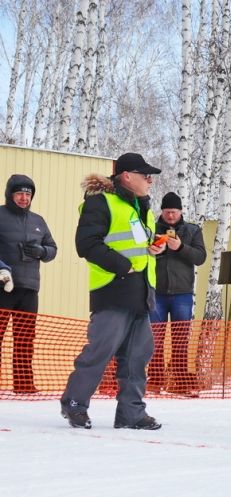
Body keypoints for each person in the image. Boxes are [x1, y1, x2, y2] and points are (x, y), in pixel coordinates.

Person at [60, 153, 166, 430]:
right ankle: (74, 403)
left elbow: (137, 244)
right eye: (146, 176)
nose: (150, 181)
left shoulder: (143, 209)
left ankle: (131, 414)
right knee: (100, 353)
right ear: (127, 176)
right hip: (113, 290)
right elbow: (87, 244)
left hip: (141, 294)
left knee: (137, 358)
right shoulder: (100, 202)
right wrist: (124, 266)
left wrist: (155, 247)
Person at [0, 174, 58, 393]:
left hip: (29, 288)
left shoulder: (38, 221)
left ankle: (24, 384)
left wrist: (42, 251)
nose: (24, 198)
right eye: (19, 193)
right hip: (3, 286)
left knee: (25, 339)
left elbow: (52, 249)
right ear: (10, 194)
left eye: (28, 194)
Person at [149, 192, 207, 394]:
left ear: (181, 211)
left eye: (174, 212)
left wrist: (180, 247)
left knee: (180, 340)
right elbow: (141, 252)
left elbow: (200, 257)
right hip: (156, 293)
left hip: (182, 293)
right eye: (167, 212)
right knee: (154, 340)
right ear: (162, 212)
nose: (171, 216)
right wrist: (154, 248)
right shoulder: (152, 229)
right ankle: (155, 381)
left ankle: (180, 382)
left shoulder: (192, 230)